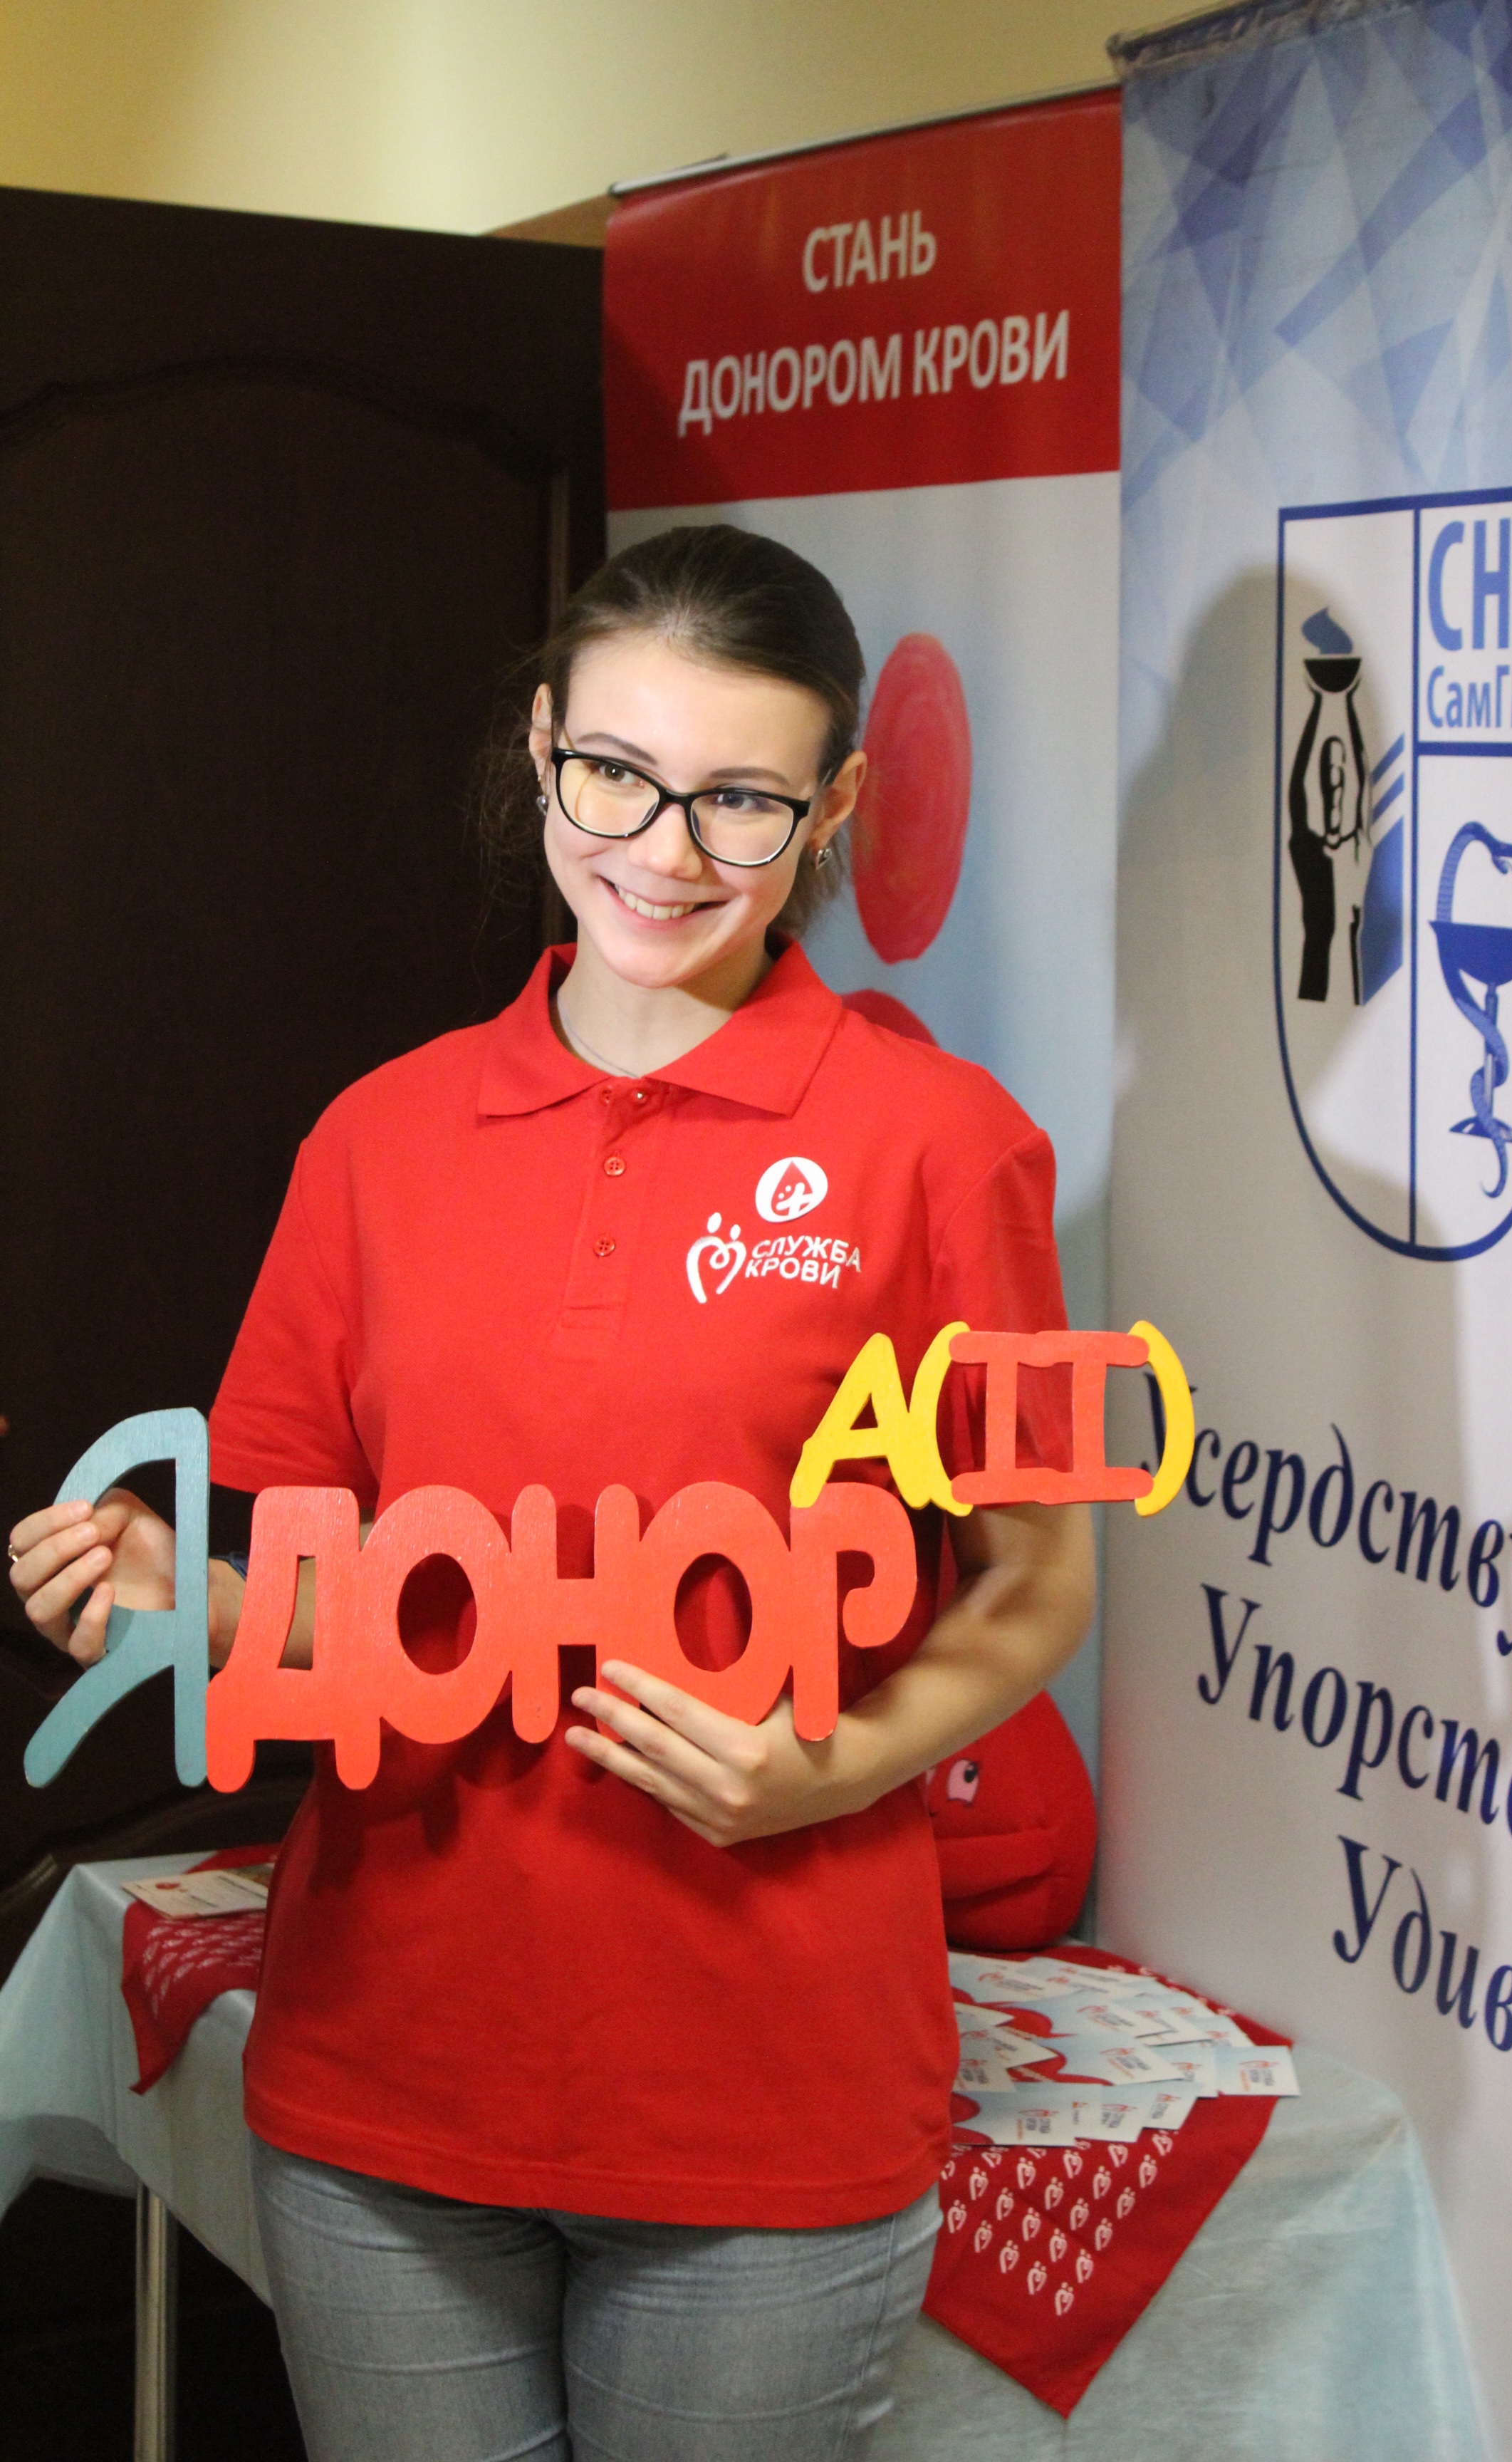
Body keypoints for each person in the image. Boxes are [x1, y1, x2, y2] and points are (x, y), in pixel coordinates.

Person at [9, 524, 1094, 2462]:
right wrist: (173, 1594)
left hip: (770, 2102)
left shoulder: (944, 1147)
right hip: (386, 2085)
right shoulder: (379, 1138)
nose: (665, 851)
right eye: (616, 774)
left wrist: (836, 1769)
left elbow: (1039, 1578)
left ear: (837, 805)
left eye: (742, 799)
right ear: (541, 748)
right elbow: (345, 1601)